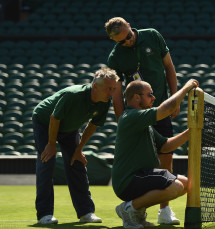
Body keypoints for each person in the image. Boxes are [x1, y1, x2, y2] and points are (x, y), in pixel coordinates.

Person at [105, 16, 180, 224]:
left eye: (128, 36)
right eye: (121, 41)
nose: (127, 42)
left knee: (166, 156)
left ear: (130, 26)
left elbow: (169, 68)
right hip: (138, 113)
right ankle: (134, 212)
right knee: (138, 164)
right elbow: (117, 93)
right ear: (114, 42)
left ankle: (165, 212)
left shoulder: (152, 36)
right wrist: (123, 120)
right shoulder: (115, 57)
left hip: (161, 106)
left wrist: (175, 100)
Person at [32, 67, 119, 224]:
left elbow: (92, 125)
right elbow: (54, 118)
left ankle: (86, 212)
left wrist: (79, 150)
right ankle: (44, 215)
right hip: (45, 122)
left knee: (76, 162)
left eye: (113, 89)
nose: (111, 92)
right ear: (95, 87)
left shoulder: (105, 101)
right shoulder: (73, 95)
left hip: (69, 127)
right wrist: (51, 144)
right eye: (108, 89)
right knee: (47, 162)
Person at [112, 79, 198, 228]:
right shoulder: (131, 116)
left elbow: (165, 146)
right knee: (176, 187)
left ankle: (136, 211)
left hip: (142, 175)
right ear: (137, 98)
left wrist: (192, 131)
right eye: (149, 94)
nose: (154, 98)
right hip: (129, 180)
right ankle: (128, 209)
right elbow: (168, 108)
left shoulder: (141, 121)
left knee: (186, 184)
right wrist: (186, 88)